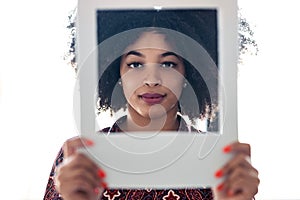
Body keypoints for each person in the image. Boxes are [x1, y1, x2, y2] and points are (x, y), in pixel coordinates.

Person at [44, 10, 259, 200]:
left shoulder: (216, 159)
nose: (152, 79)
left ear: (188, 73)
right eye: (135, 64)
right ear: (116, 72)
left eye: (168, 64)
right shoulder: (80, 158)